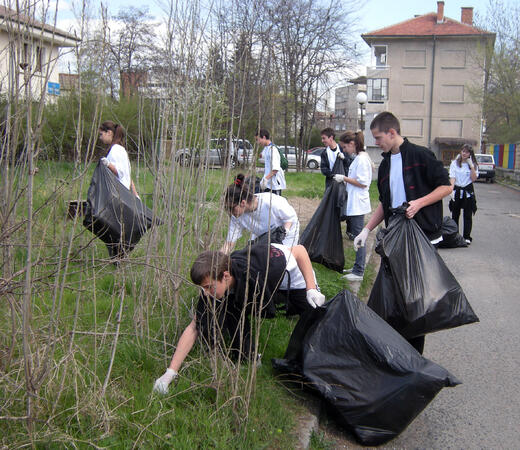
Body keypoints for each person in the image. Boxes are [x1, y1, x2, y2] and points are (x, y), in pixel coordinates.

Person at [153, 243, 325, 394]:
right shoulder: (216, 285)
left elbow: (300, 251)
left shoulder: (266, 265)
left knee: (313, 319)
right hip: (254, 284)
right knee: (230, 306)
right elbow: (194, 327)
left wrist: (311, 288)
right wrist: (170, 373)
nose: (205, 293)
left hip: (295, 282)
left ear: (225, 276)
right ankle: (250, 355)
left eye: (208, 287)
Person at [353, 112, 452, 354]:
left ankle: (414, 355)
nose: (376, 143)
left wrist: (419, 203)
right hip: (397, 238)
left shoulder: (420, 156)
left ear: (392, 132)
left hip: (422, 238)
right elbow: (385, 204)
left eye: (378, 138)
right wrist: (366, 230)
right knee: (396, 297)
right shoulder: (386, 164)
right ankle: (396, 349)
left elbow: (446, 186)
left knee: (417, 299)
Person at [220, 174, 300, 254]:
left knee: (283, 259)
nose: (230, 212)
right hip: (264, 236)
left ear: (243, 203)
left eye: (231, 208)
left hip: (287, 232)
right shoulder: (237, 216)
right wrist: (217, 259)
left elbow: (289, 219)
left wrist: (282, 235)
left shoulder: (270, 202)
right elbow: (229, 243)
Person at [334, 131, 372, 282]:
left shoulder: (362, 159)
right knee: (357, 236)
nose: (344, 150)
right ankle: (357, 266)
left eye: (344, 147)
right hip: (356, 202)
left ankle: (359, 271)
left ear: (352, 144)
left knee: (359, 237)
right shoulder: (358, 158)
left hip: (358, 203)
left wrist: (344, 178)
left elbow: (362, 183)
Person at [98, 121, 139, 197]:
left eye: (101, 134)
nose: (100, 138)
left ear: (109, 133)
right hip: (124, 194)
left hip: (118, 195)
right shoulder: (120, 149)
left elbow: (119, 172)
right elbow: (127, 176)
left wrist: (107, 164)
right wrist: (135, 194)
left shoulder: (115, 150)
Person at [449, 144, 478, 244]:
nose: (464, 153)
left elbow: (473, 179)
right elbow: (452, 177)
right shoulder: (454, 163)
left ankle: (466, 237)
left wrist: (472, 166)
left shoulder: (473, 164)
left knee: (467, 215)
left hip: (467, 191)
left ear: (470, 154)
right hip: (457, 190)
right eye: (463, 151)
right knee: (455, 214)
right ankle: (455, 235)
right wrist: (451, 190)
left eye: (467, 152)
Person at [255, 129, 286, 195]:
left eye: (258, 139)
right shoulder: (266, 148)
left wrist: (265, 179)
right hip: (268, 184)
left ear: (264, 137)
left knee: (275, 204)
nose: (258, 142)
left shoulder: (273, 150)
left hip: (275, 185)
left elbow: (275, 169)